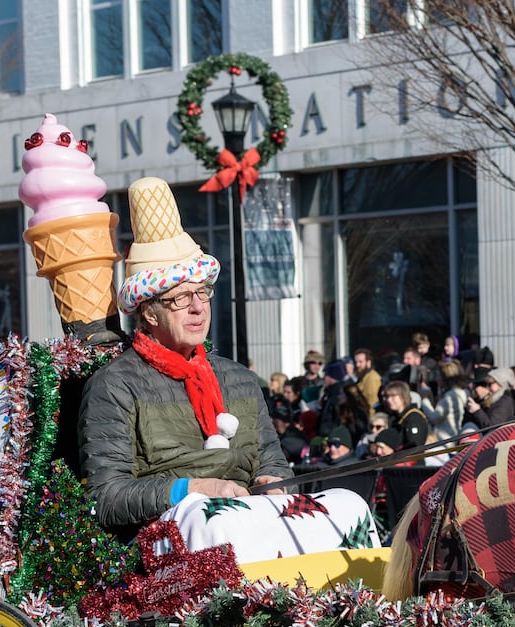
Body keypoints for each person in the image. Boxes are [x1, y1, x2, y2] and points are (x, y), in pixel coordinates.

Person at [78, 176, 377, 560]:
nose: (198, 306)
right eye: (181, 297)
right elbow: (107, 497)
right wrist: (193, 488)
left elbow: (272, 460)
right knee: (219, 522)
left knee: (348, 505)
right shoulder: (115, 384)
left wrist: (274, 481)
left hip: (248, 514)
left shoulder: (237, 378)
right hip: (170, 532)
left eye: (202, 292)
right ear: (149, 311)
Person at [420, 360, 469, 440]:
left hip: (444, 441)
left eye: (438, 376)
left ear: (445, 378)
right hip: (451, 437)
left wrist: (424, 399)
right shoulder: (461, 392)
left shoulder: (450, 397)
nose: (436, 379)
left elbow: (434, 417)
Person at [381, 380, 430, 451]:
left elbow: (415, 445)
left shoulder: (414, 417)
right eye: (387, 396)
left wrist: (393, 451)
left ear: (403, 396)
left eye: (393, 396)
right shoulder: (394, 417)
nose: (389, 400)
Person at [465, 365, 515, 430]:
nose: (487, 387)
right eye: (486, 384)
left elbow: (493, 427)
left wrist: (477, 411)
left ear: (500, 385)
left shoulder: (505, 402)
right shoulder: (495, 399)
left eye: (490, 384)